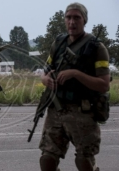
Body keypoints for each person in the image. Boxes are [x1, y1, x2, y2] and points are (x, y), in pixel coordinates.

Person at [38, 2, 110, 171]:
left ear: (84, 20)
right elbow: (45, 71)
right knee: (47, 159)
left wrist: (75, 73)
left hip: (82, 112)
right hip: (56, 110)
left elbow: (104, 85)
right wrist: (45, 79)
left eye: (76, 17)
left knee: (84, 161)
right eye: (68, 17)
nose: (72, 22)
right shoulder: (58, 43)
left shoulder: (96, 48)